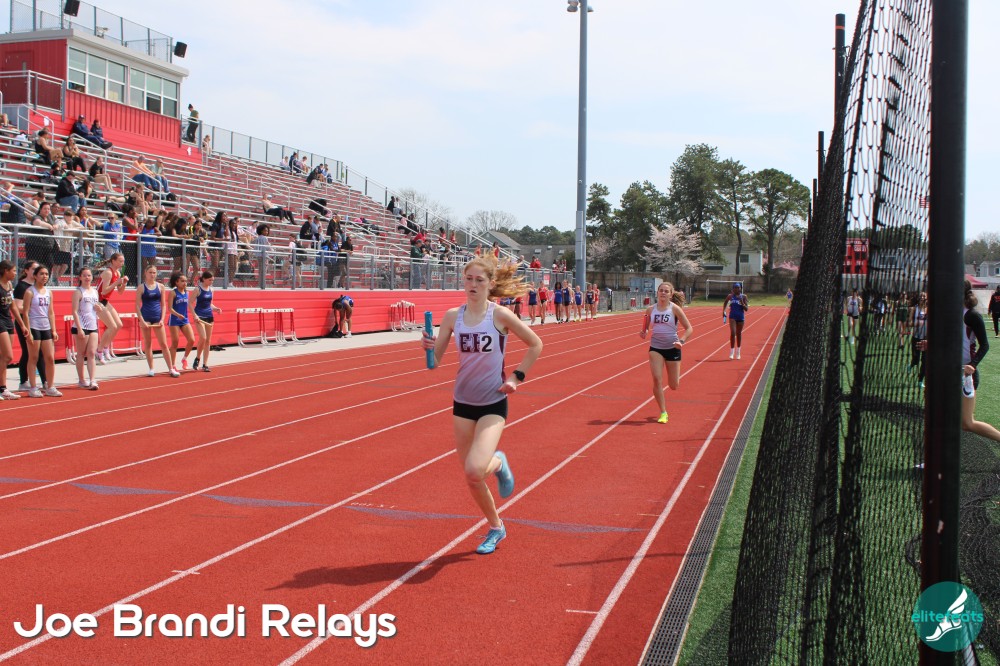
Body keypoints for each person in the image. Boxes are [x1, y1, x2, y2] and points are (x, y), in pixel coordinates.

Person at [421, 256, 543, 554]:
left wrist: (516, 377)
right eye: (468, 279)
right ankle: (496, 527)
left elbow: (535, 344)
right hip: (462, 402)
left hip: (493, 401)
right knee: (471, 477)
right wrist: (428, 348)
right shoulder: (453, 316)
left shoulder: (499, 315)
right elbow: (434, 363)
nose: (472, 285)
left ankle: (497, 462)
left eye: (479, 280)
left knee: (476, 469)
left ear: (490, 284)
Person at [639, 281, 693, 424]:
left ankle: (665, 407)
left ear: (671, 294)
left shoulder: (675, 309)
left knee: (673, 385)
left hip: (673, 347)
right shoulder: (650, 310)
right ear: (657, 292)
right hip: (656, 348)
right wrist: (644, 332)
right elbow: (645, 327)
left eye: (666, 291)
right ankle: (663, 412)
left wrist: (681, 341)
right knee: (657, 379)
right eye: (661, 290)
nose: (663, 293)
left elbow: (689, 328)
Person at [959, 280, 1000, 442]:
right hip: (948, 371)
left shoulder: (971, 315)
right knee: (941, 414)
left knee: (967, 423)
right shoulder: (949, 313)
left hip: (966, 375)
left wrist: (972, 365)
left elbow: (985, 345)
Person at [21, 265, 61, 397]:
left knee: (50, 358)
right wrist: (28, 331)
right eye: (42, 274)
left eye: (47, 274)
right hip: (34, 327)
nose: (45, 276)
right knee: (33, 357)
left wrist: (54, 330)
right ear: (35, 276)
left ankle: (50, 386)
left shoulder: (49, 292)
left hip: (46, 327)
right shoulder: (30, 292)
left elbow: (51, 312)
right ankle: (33, 387)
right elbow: (25, 313)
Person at [136, 264, 177, 377]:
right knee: (148, 343)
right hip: (146, 317)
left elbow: (163, 305)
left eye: (154, 272)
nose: (152, 275)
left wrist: (162, 319)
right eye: (150, 272)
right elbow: (137, 306)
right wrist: (141, 320)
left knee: (163, 344)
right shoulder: (141, 287)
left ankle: (171, 368)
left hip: (157, 318)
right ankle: (151, 368)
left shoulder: (160, 287)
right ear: (145, 273)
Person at [13, 262, 46, 392]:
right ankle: (23, 381)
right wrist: (33, 308)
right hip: (24, 322)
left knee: (40, 352)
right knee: (28, 352)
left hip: (37, 322)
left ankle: (45, 381)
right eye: (33, 269)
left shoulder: (39, 287)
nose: (36, 271)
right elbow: (17, 307)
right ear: (26, 271)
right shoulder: (22, 287)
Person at [71, 266, 102, 390]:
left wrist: (99, 309)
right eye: (84, 275)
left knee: (92, 353)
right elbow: (74, 311)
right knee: (81, 353)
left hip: (93, 325)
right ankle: (81, 379)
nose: (87, 278)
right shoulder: (78, 292)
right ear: (80, 277)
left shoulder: (94, 292)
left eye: (89, 275)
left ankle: (93, 380)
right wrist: (79, 329)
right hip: (81, 326)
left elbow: (95, 308)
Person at [95, 252, 129, 364]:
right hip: (98, 301)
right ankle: (99, 351)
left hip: (105, 302)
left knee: (118, 325)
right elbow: (104, 291)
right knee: (112, 326)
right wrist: (116, 283)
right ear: (113, 261)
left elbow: (120, 292)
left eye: (123, 261)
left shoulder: (117, 273)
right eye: (120, 261)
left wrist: (123, 284)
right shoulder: (108, 272)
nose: (122, 263)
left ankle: (106, 348)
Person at [0, 260, 22, 400]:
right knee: (7, 356)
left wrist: (22, 324)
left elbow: (13, 306)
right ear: (5, 271)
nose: (15, 273)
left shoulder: (8, 285)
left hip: (8, 321)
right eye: (13, 271)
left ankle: (3, 388)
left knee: (4, 357)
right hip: (0, 321)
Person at [192, 271, 222, 371]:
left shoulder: (211, 289)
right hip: (199, 316)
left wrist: (216, 308)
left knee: (208, 340)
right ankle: (197, 357)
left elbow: (210, 304)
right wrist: (195, 315)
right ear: (204, 279)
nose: (211, 282)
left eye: (212, 280)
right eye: (210, 280)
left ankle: (205, 364)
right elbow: (190, 303)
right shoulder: (197, 289)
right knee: (203, 338)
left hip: (209, 316)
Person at [166, 272, 195, 371]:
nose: (185, 283)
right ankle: (173, 365)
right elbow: (170, 308)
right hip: (174, 320)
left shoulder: (187, 293)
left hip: (185, 320)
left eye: (186, 281)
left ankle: (184, 359)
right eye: (182, 281)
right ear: (176, 282)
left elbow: (189, 305)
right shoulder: (173, 293)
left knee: (191, 340)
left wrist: (194, 315)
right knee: (175, 343)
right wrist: (178, 315)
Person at [723, 282, 749, 359]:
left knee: (739, 334)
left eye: (738, 287)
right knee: (733, 333)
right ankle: (732, 352)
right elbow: (725, 302)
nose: (736, 289)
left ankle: (738, 352)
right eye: (735, 287)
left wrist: (742, 303)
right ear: (733, 289)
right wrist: (724, 311)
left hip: (740, 317)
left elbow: (746, 309)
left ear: (741, 288)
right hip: (732, 317)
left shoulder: (744, 296)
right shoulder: (730, 296)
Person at [911, 292, 928, 388]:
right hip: (916, 337)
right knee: (916, 360)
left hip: (925, 339)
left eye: (924, 296)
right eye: (921, 296)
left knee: (925, 361)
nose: (922, 297)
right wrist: (916, 323)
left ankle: (920, 380)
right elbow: (909, 322)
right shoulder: (914, 309)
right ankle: (911, 365)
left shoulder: (929, 309)